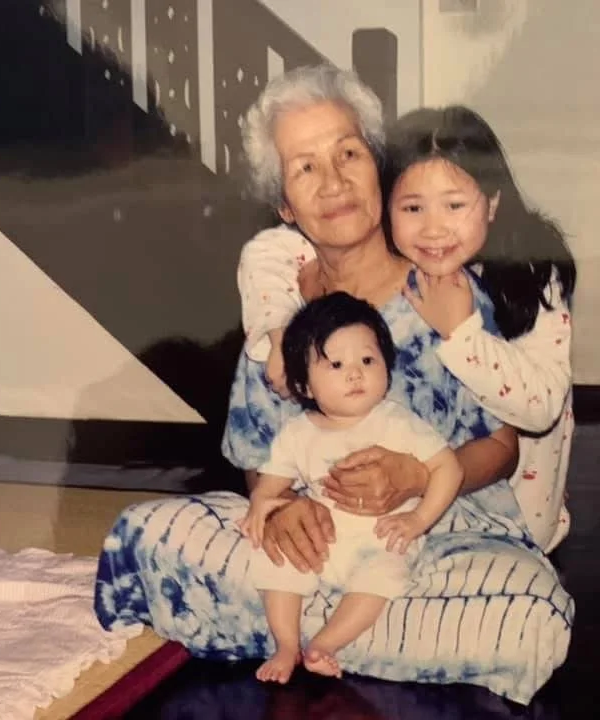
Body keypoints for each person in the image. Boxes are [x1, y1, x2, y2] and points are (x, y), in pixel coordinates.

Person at [94, 64, 573, 706]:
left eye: (348, 153)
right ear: (287, 206)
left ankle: (289, 627)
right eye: (305, 167)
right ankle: (364, 632)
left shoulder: (446, 294)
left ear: (378, 168)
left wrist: (413, 477)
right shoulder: (284, 317)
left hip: (437, 531)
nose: (334, 181)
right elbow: (260, 458)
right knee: (146, 534)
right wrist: (281, 506)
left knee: (534, 613)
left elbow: (501, 447)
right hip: (317, 543)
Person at [239, 105, 577, 553]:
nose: (434, 229)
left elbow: (540, 410)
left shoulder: (531, 273)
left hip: (517, 506)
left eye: (454, 205)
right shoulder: (399, 258)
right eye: (413, 207)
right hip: (408, 506)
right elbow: (267, 253)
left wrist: (462, 333)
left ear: (492, 202)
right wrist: (279, 323)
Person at [240, 291, 464, 682]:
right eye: (336, 364)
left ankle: (324, 644)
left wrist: (418, 520)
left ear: (387, 368)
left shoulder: (396, 422)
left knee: (381, 578)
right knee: (274, 561)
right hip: (321, 539)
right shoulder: (298, 432)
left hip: (380, 539)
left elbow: (449, 468)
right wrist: (262, 501)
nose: (355, 373)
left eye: (367, 360)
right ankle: (286, 645)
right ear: (305, 386)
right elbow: (273, 478)